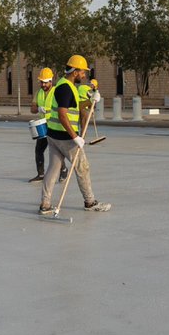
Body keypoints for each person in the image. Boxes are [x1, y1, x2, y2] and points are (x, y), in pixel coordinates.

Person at [38, 55, 111, 215]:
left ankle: (45, 204)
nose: (84, 75)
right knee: (82, 168)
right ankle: (90, 202)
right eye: (83, 72)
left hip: (54, 135)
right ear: (75, 71)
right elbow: (63, 115)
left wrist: (91, 100)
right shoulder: (65, 88)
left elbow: (76, 107)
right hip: (65, 138)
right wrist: (75, 137)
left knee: (53, 169)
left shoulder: (66, 86)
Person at [29, 67, 55, 182]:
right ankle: (40, 174)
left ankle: (63, 170)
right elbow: (32, 108)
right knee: (39, 150)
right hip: (43, 127)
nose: (43, 84)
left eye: (45, 82)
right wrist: (38, 108)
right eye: (41, 82)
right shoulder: (38, 93)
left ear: (50, 81)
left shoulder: (56, 92)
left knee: (55, 151)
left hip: (54, 126)